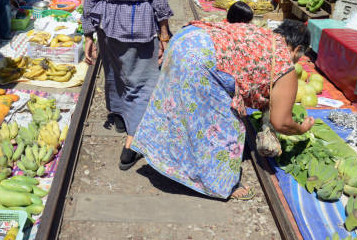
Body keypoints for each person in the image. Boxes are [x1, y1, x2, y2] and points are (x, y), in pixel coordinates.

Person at [131, 19, 314, 200]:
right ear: (297, 49)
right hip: (201, 58)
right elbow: (281, 122)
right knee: (226, 124)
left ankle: (160, 153)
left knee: (175, 105)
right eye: (300, 55)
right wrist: (301, 128)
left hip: (185, 38)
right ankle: (218, 183)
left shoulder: (264, 35)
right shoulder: (285, 65)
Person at [83, 0, 173, 171]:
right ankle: (131, 142)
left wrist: (88, 34)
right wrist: (164, 35)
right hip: (141, 24)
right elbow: (160, 2)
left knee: (114, 71)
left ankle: (120, 115)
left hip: (109, 25)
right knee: (143, 82)